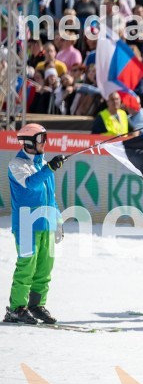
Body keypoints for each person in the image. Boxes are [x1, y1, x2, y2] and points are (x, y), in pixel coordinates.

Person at [5, 124, 67, 325]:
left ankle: (36, 305)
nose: (45, 143)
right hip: (26, 224)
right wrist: (49, 168)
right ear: (30, 142)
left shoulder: (43, 165)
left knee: (44, 267)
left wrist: (58, 220)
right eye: (41, 139)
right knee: (26, 266)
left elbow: (51, 197)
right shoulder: (17, 164)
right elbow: (30, 183)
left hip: (45, 223)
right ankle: (16, 308)